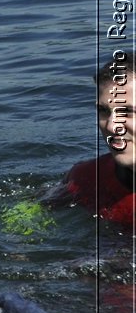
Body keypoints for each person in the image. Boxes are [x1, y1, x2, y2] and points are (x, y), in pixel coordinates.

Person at [56, 58, 136, 226]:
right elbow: (30, 213)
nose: (111, 125)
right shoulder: (85, 179)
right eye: (103, 111)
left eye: (127, 111)